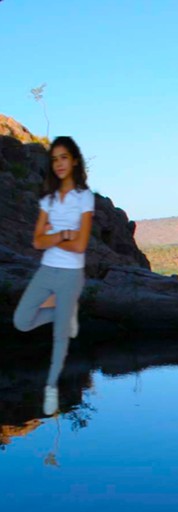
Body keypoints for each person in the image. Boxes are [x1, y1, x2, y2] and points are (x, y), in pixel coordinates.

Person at [13, 136, 94, 415]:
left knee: (60, 337)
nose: (59, 164)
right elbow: (37, 242)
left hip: (71, 272)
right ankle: (66, 310)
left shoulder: (84, 198)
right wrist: (63, 235)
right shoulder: (47, 200)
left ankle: (50, 387)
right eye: (54, 159)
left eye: (64, 158)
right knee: (22, 321)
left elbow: (80, 246)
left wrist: (53, 237)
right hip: (47, 269)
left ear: (74, 161)